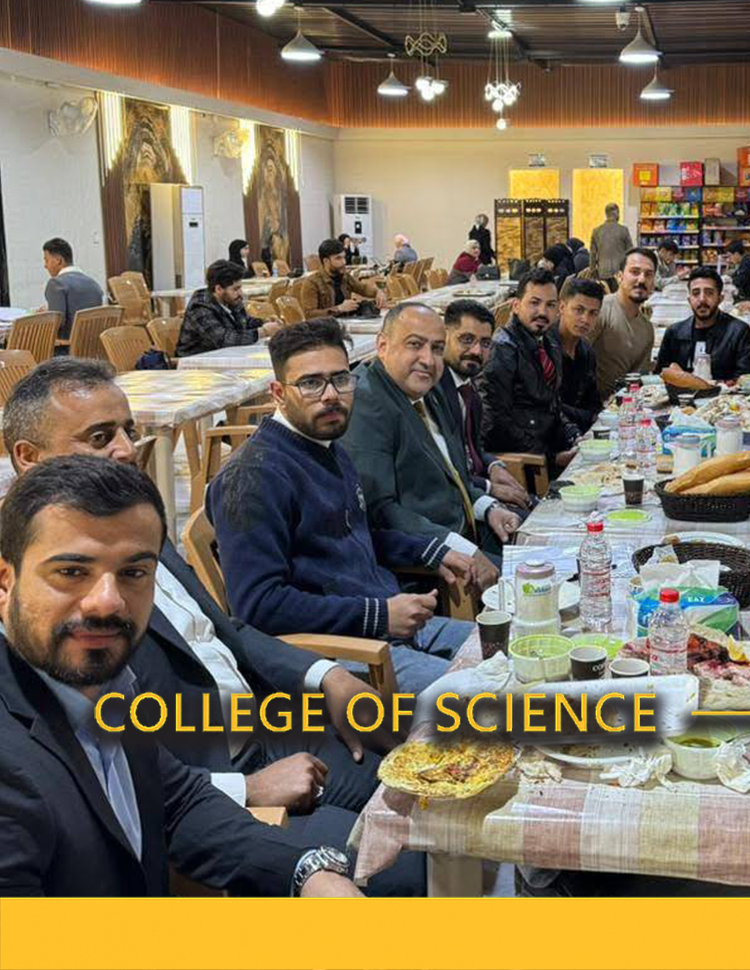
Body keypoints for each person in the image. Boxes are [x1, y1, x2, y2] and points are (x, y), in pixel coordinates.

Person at [0, 358, 422, 894]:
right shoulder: (43, 715)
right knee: (407, 861)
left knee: (427, 792)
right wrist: (245, 789)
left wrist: (327, 677)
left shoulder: (130, 534)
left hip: (263, 726)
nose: (127, 450)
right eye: (71, 573)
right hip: (227, 769)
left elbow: (223, 637)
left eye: (133, 573)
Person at [208, 320, 483, 696]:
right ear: (278, 392)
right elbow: (257, 606)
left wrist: (431, 550)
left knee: (516, 649)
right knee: (497, 696)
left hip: (392, 623)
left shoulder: (328, 446)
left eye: (341, 379)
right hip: (343, 654)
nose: (331, 395)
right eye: (311, 383)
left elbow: (356, 533)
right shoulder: (253, 477)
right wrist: (378, 615)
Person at [342, 304, 521, 575]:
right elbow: (380, 512)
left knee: (558, 548)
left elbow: (454, 475)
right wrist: (459, 548)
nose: (428, 359)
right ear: (382, 345)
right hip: (434, 559)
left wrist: (488, 507)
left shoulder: (429, 387)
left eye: (437, 348)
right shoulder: (366, 403)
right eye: (415, 344)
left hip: (473, 525)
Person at [479, 268, 580, 469]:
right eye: (534, 303)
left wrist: (573, 434)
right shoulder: (502, 350)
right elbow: (496, 425)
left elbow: (552, 405)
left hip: (550, 447)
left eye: (550, 305)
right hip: (526, 465)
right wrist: (551, 458)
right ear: (516, 306)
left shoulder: (549, 342)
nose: (542, 312)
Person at [436, 301, 529, 508]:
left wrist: (493, 465)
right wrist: (488, 488)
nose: (477, 351)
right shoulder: (433, 392)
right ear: (443, 336)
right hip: (461, 503)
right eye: (467, 339)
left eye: (485, 343)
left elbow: (472, 448)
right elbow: (442, 470)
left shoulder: (469, 387)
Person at [655, 265, 750, 382]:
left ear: (720, 298)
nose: (702, 299)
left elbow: (746, 380)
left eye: (709, 293)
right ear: (689, 300)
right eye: (696, 293)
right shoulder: (674, 333)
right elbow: (661, 375)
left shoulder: (739, 332)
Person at [175, 260, 281, 359]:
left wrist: (264, 322)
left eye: (240, 287)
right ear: (218, 289)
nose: (240, 293)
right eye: (235, 289)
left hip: (224, 357)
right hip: (196, 362)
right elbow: (223, 339)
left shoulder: (231, 300)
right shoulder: (200, 307)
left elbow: (245, 322)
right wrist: (263, 332)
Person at [590, 247, 657, 398]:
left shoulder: (647, 329)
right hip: (589, 405)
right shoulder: (599, 311)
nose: (641, 280)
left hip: (622, 405)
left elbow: (638, 380)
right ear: (619, 276)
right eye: (635, 272)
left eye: (648, 274)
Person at [556, 277, 604, 433]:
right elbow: (548, 407)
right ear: (562, 307)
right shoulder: (543, 348)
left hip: (581, 432)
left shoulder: (587, 351)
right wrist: (591, 417)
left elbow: (593, 402)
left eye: (593, 313)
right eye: (579, 310)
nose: (585, 319)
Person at [296, 237, 384, 319]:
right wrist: (339, 309)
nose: (344, 262)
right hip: (324, 328)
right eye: (338, 258)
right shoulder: (312, 283)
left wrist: (378, 292)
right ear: (326, 261)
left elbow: (363, 288)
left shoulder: (345, 277)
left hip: (346, 323)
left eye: (344, 257)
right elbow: (309, 315)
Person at [41, 237, 103, 342]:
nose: (45, 266)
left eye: (47, 260)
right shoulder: (94, 284)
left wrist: (43, 316)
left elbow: (56, 323)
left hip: (67, 348)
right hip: (95, 347)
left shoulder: (56, 284)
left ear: (58, 261)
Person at [589, 203, 634, 281]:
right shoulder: (623, 230)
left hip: (602, 272)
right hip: (620, 272)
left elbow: (592, 255)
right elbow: (630, 252)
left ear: (606, 214)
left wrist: (592, 271)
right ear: (617, 213)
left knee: (605, 289)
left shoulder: (596, 231)